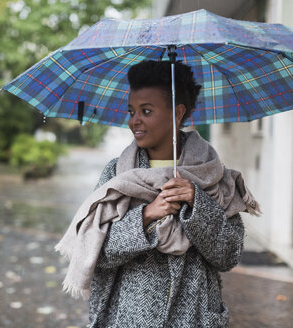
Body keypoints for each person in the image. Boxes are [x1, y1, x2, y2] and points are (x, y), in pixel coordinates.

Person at [55, 60, 260, 328]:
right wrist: (147, 215)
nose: (134, 121)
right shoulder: (117, 175)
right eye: (131, 111)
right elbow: (96, 254)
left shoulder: (215, 175)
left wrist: (197, 202)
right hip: (130, 317)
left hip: (194, 319)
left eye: (146, 111)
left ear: (177, 113)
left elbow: (229, 255)